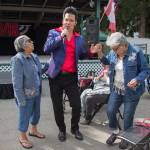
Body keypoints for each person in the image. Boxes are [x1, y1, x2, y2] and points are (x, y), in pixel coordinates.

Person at [91, 32, 150, 149]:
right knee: (110, 111)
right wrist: (99, 52)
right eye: (112, 49)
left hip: (131, 92)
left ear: (123, 45)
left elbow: (146, 70)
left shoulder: (136, 52)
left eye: (115, 49)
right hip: (116, 89)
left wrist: (137, 80)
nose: (113, 51)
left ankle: (126, 138)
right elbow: (107, 62)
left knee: (128, 117)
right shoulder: (114, 52)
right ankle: (116, 132)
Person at [43, 6, 89, 142]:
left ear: (75, 22)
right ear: (63, 20)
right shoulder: (54, 32)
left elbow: (82, 55)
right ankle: (62, 130)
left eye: (71, 20)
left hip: (70, 77)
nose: (68, 22)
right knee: (57, 107)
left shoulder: (79, 38)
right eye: (66, 19)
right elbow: (46, 48)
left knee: (76, 105)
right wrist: (60, 36)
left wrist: (91, 51)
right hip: (55, 76)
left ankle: (75, 128)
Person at [11, 35, 45, 149]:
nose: (32, 42)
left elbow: (38, 72)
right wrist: (20, 100)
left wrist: (50, 65)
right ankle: (22, 137)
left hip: (36, 92)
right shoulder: (18, 59)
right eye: (30, 41)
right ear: (23, 45)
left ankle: (33, 131)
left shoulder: (34, 56)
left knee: (36, 114)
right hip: (25, 95)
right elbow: (16, 82)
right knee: (24, 116)